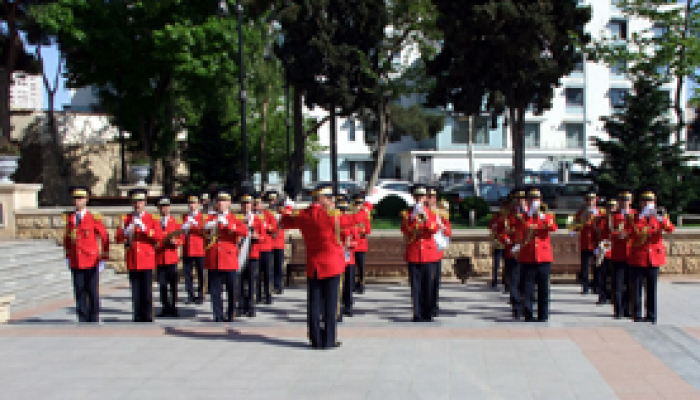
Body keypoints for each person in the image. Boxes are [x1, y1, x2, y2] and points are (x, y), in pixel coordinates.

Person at [280, 183, 370, 349]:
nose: (332, 201)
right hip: (332, 265)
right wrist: (367, 206)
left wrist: (286, 207)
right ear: (320, 199)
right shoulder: (329, 217)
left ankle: (315, 339)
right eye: (328, 198)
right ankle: (328, 340)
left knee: (313, 304)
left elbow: (285, 222)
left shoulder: (304, 215)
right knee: (330, 304)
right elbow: (355, 219)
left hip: (314, 265)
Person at [627, 189, 674, 324]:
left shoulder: (660, 215)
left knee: (651, 289)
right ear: (641, 203)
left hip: (654, 257)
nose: (647, 203)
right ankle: (637, 314)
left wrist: (662, 220)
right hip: (639, 256)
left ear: (654, 203)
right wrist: (641, 218)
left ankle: (651, 315)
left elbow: (670, 229)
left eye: (650, 201)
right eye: (645, 201)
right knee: (637, 288)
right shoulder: (635, 216)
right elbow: (630, 232)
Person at [63, 186, 109, 323]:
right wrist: (67, 255)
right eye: (75, 198)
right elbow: (67, 238)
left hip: (90, 259)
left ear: (86, 200)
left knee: (92, 290)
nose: (77, 201)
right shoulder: (70, 217)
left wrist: (103, 258)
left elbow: (104, 237)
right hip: (76, 260)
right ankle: (82, 316)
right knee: (79, 289)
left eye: (80, 198)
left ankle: (94, 316)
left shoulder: (93, 217)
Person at [116, 188, 163, 322]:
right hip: (133, 259)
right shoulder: (127, 218)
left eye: (141, 201)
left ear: (145, 202)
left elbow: (159, 237)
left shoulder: (152, 218)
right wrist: (125, 231)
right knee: (135, 289)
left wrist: (145, 228)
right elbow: (118, 238)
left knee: (146, 290)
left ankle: (147, 315)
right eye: (135, 201)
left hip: (146, 258)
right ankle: (137, 315)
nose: (138, 204)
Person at [203, 189, 248, 322]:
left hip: (228, 258)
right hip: (214, 258)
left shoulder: (234, 218)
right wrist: (208, 227)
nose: (221, 204)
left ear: (229, 203)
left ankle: (230, 313)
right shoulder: (211, 218)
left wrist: (230, 226)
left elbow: (244, 231)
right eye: (219, 201)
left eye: (224, 201)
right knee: (215, 290)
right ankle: (217, 314)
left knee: (231, 289)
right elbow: (201, 232)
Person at [514, 188, 557, 322]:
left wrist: (542, 218)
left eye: (537, 199)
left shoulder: (547, 216)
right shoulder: (523, 217)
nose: (534, 202)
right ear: (527, 201)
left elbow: (553, 228)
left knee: (544, 289)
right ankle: (528, 314)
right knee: (528, 288)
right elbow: (521, 230)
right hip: (528, 256)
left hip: (543, 257)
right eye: (532, 199)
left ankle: (543, 315)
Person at [400, 184, 440, 322]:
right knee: (415, 286)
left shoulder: (432, 213)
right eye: (417, 196)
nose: (419, 199)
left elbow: (434, 229)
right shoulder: (408, 213)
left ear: (425, 198)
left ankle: (427, 313)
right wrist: (413, 219)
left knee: (428, 285)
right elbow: (404, 230)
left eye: (422, 196)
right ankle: (417, 313)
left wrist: (425, 219)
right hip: (414, 253)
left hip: (428, 254)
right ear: (413, 197)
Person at [239, 190, 266, 317]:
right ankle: (241, 305)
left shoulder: (257, 219)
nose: (246, 206)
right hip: (240, 254)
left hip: (253, 254)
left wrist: (257, 236)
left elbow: (263, 237)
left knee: (251, 282)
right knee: (239, 281)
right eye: (243, 204)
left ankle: (250, 306)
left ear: (251, 205)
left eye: (248, 204)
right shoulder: (238, 218)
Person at [155, 196, 182, 318]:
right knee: (162, 285)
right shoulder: (156, 222)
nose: (164, 209)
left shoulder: (175, 221)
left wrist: (175, 242)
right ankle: (165, 306)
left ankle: (174, 307)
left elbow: (181, 239)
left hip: (171, 257)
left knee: (173, 284)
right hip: (160, 257)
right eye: (161, 207)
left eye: (166, 206)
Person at [611, 189, 636, 318]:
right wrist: (618, 234)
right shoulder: (613, 215)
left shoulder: (636, 214)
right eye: (622, 200)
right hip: (618, 253)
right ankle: (618, 310)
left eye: (627, 200)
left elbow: (639, 229)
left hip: (632, 253)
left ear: (631, 201)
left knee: (631, 284)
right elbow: (609, 231)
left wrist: (628, 234)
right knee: (618, 284)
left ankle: (628, 309)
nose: (624, 202)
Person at [428, 186, 451, 317]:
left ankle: (434, 305)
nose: (431, 200)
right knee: (427, 281)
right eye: (429, 197)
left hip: (436, 251)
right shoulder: (423, 212)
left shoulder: (441, 213)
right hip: (426, 250)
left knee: (436, 281)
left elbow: (448, 231)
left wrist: (442, 227)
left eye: (433, 197)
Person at [572, 191, 600, 294]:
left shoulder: (599, 212)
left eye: (592, 200)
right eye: (588, 200)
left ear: (595, 200)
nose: (590, 202)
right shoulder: (581, 212)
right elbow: (575, 225)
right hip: (585, 241)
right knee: (584, 266)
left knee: (597, 265)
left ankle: (596, 286)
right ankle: (585, 286)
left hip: (595, 242)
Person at [181, 193, 206, 304]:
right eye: (190, 203)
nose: (192, 205)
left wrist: (195, 224)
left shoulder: (201, 217)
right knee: (187, 274)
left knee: (200, 273)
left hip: (199, 248)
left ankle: (201, 294)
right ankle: (190, 295)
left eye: (194, 203)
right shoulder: (185, 216)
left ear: (198, 204)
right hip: (187, 248)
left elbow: (205, 231)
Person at [337, 195, 358, 318]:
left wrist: (351, 244)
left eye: (345, 209)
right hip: (337, 255)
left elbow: (357, 240)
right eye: (341, 209)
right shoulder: (334, 221)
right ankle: (338, 307)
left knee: (348, 283)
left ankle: (348, 306)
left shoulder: (351, 222)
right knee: (337, 284)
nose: (343, 212)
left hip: (348, 256)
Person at [594, 199, 617, 306]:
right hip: (604, 248)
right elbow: (597, 232)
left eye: (613, 206)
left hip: (615, 249)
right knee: (602, 275)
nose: (610, 208)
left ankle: (612, 296)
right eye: (609, 206)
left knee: (614, 276)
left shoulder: (618, 218)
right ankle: (602, 296)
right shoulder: (601, 219)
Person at [255, 192, 276, 305]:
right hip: (256, 247)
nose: (256, 205)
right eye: (255, 203)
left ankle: (268, 295)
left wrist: (266, 226)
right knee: (257, 274)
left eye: (258, 203)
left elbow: (274, 228)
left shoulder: (268, 214)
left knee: (267, 273)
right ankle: (257, 295)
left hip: (266, 247)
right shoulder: (252, 215)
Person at [265, 191, 286, 294]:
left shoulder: (281, 211)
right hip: (269, 241)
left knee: (278, 265)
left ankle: (278, 285)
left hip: (279, 241)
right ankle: (270, 285)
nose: (272, 202)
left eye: (274, 200)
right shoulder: (266, 212)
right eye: (270, 200)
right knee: (269, 266)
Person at [352, 194, 372, 294]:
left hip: (361, 245)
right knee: (351, 267)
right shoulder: (351, 214)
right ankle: (351, 284)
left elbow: (368, 230)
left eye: (360, 203)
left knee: (361, 267)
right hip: (351, 245)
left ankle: (361, 284)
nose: (358, 206)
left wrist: (357, 230)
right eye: (356, 203)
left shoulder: (365, 215)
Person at [489, 198, 508, 289]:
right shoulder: (496, 216)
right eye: (501, 206)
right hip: (498, 241)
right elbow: (491, 227)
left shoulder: (508, 217)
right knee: (496, 263)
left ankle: (506, 280)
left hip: (507, 242)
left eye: (504, 206)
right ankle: (495, 280)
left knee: (507, 263)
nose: (502, 208)